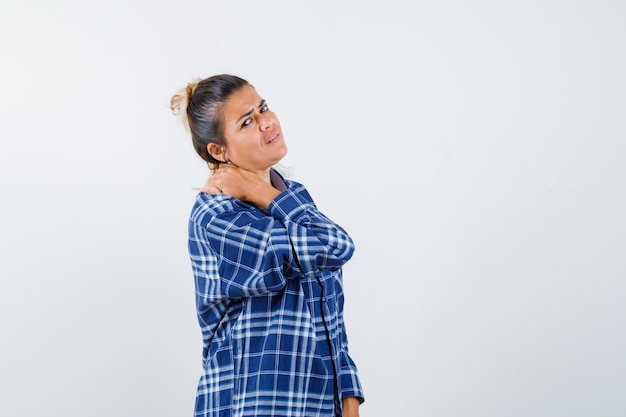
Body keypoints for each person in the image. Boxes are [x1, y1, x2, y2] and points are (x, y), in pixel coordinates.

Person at [170, 74, 364, 417]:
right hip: (253, 405)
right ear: (219, 151)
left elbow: (330, 311)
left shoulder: (293, 197)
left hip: (318, 405)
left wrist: (349, 400)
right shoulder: (218, 215)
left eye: (263, 108)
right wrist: (260, 193)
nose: (267, 123)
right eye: (247, 122)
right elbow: (336, 247)